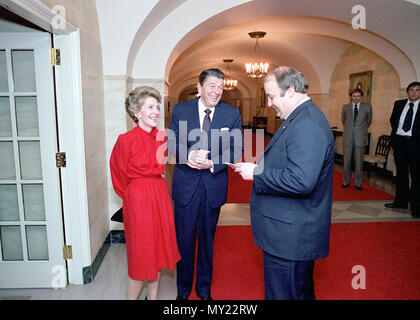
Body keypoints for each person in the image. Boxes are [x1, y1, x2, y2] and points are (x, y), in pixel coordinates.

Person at [233, 66, 334, 300]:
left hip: (291, 238)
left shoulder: (307, 123)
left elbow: (302, 180)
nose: (269, 103)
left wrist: (257, 173)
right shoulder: (299, 118)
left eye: (271, 96)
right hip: (288, 233)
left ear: (290, 91)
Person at [168, 68, 242, 300]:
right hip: (185, 187)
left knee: (207, 242)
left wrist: (212, 163)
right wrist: (188, 156)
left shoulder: (231, 114)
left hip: (213, 186)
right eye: (212, 86)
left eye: (220, 87)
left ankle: (204, 289)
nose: (216, 91)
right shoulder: (181, 110)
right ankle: (183, 290)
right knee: (184, 241)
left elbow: (236, 148)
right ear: (199, 88)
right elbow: (171, 142)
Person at [110, 86, 180, 300]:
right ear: (136, 112)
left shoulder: (161, 138)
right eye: (150, 107)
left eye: (157, 107)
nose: (156, 111)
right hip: (139, 199)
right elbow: (118, 175)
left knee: (157, 253)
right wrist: (134, 197)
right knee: (141, 257)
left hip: (159, 195)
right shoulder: (125, 140)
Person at [385, 81, 420, 218]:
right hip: (399, 142)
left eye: (417, 90)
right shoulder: (399, 104)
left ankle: (416, 207)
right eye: (411, 90)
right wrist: (397, 137)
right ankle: (401, 201)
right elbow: (393, 120)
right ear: (407, 91)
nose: (413, 93)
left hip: (415, 145)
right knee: (401, 174)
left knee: (417, 176)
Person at [341, 88, 372, 190]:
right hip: (348, 138)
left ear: (361, 97)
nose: (356, 98)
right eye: (354, 96)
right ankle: (346, 181)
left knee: (359, 162)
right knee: (346, 161)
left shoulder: (367, 107)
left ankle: (358, 183)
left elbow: (368, 122)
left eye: (358, 96)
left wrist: (359, 130)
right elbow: (343, 120)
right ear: (351, 97)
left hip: (360, 138)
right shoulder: (345, 107)